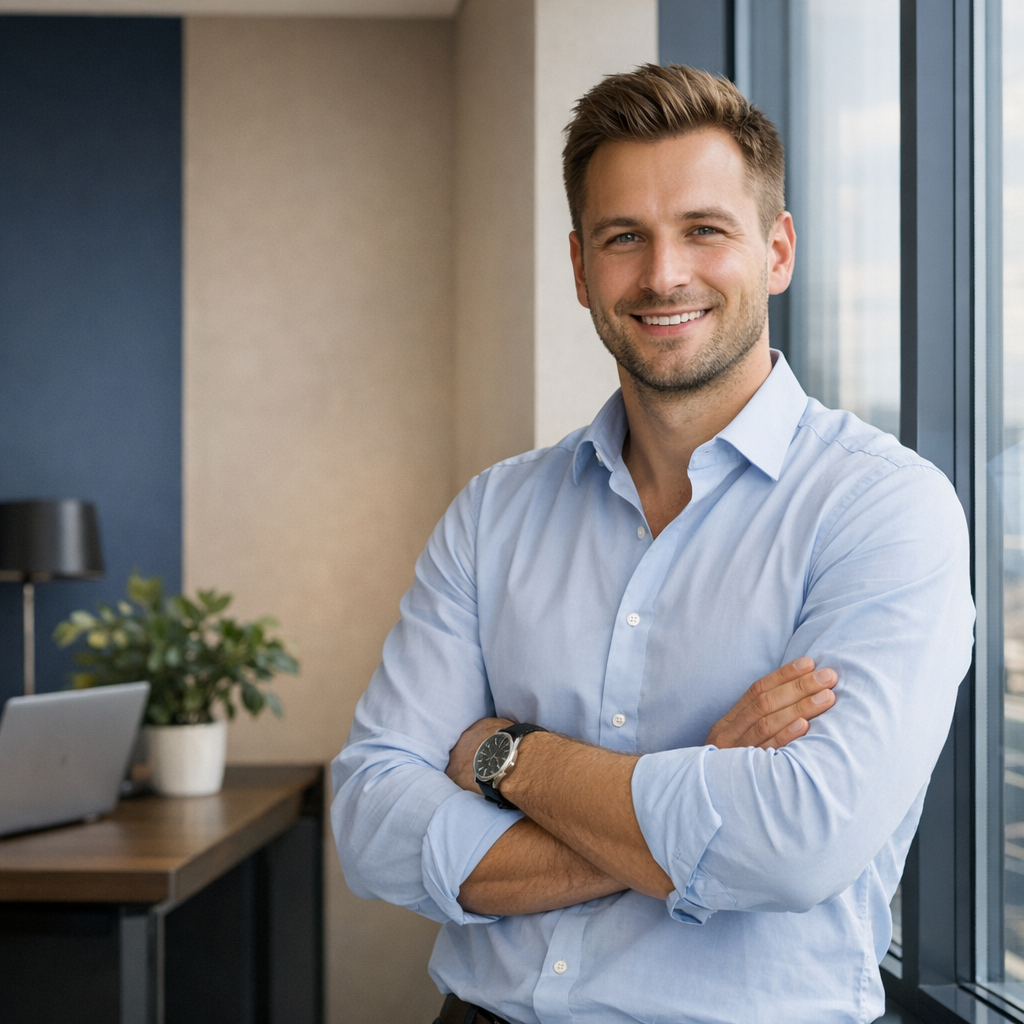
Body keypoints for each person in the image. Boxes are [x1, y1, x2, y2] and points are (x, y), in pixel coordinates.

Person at [332, 64, 974, 1024]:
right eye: (623, 237)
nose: (663, 274)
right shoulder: (493, 513)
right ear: (583, 269)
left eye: (704, 230)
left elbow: (795, 844)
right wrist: (702, 776)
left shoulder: (884, 511)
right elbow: (372, 822)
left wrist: (508, 756)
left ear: (778, 250)